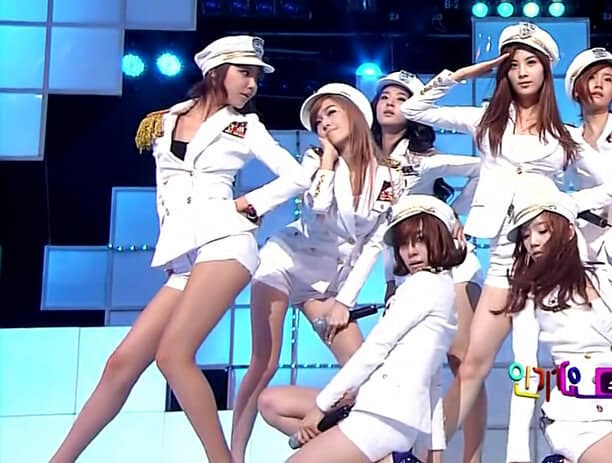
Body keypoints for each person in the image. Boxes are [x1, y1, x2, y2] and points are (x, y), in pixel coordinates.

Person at [51, 36, 311, 463]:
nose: (252, 84)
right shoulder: (165, 120)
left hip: (226, 242)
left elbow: (297, 177)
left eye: (256, 77)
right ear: (216, 72)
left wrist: (248, 204)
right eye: (244, 73)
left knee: (173, 356)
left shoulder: (246, 126)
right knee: (121, 363)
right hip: (186, 255)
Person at [401, 23, 612, 461]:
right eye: (513, 64)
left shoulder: (564, 135)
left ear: (545, 71)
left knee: (562, 361)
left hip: (554, 257)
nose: (522, 72)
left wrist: (563, 204)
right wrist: (468, 73)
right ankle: (431, 455)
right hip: (506, 254)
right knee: (473, 364)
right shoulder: (486, 120)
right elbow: (415, 108)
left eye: (531, 63)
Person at [440, 178, 612, 462]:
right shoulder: (532, 293)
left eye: (542, 231)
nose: (532, 241)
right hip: (577, 422)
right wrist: (517, 456)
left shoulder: (606, 278)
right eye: (525, 235)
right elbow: (526, 374)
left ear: (569, 231)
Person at [230, 82, 404, 462]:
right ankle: (232, 455)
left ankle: (346, 448)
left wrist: (345, 302)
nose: (323, 122)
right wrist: (327, 160)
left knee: (364, 375)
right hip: (286, 261)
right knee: (265, 361)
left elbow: (374, 244)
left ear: (355, 115)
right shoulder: (314, 160)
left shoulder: (389, 176)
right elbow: (319, 206)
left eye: (331, 112)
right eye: (318, 119)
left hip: (327, 283)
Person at [285, 194, 466, 463]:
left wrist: (321, 407)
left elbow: (374, 349)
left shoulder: (423, 285)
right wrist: (434, 450)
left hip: (382, 415)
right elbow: (433, 379)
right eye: (403, 243)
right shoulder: (442, 289)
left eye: (419, 239)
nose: (411, 251)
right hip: (392, 418)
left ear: (438, 237)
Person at [372, 70, 487, 463]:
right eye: (385, 96)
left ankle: (472, 457)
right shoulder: (363, 159)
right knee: (417, 366)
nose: (390, 103)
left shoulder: (424, 158)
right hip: (403, 273)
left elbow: (482, 168)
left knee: (462, 359)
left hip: (450, 265)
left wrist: (452, 215)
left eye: (401, 98)